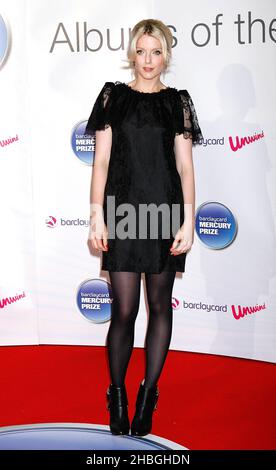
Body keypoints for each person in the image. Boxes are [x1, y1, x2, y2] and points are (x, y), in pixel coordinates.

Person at [85, 19, 203, 437]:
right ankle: (115, 394)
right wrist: (97, 215)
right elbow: (100, 161)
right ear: (131, 53)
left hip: (164, 214)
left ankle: (147, 395)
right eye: (142, 51)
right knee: (123, 311)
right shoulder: (113, 97)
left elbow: (185, 167)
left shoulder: (177, 103)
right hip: (121, 213)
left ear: (165, 56)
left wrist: (189, 220)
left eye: (156, 52)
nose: (148, 60)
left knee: (159, 307)